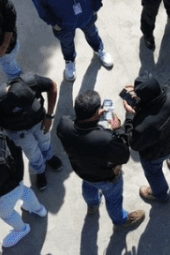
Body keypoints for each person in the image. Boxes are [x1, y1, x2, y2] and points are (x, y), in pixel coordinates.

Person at [56, 89, 147, 231]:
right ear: (95, 114)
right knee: (114, 200)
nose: (102, 110)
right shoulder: (105, 139)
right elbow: (123, 156)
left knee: (89, 188)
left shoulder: (63, 124)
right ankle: (120, 220)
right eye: (99, 109)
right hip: (106, 178)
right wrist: (119, 129)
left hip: (83, 172)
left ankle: (92, 206)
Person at [32, 0, 114, 82]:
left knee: (93, 33)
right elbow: (41, 8)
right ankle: (69, 61)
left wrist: (95, 6)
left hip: (86, 15)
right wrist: (53, 23)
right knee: (67, 43)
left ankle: (99, 49)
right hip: (63, 24)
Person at [0, 73, 64, 191]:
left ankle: (49, 156)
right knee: (33, 153)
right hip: (18, 132)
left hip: (39, 122)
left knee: (45, 141)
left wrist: (49, 116)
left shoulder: (32, 81)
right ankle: (40, 170)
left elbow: (53, 86)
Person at [123, 72, 170, 204]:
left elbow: (135, 144)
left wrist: (129, 116)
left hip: (157, 153)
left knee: (153, 173)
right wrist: (147, 90)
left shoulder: (146, 123)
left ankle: (160, 195)